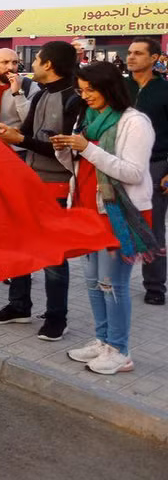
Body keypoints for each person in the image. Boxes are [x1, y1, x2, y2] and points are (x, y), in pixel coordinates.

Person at [55, 62, 157, 375]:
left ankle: (120, 350)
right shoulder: (91, 118)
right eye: (81, 90)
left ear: (109, 87)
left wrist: (86, 149)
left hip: (118, 214)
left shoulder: (134, 122)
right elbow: (80, 164)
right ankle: (103, 341)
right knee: (93, 282)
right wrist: (64, 149)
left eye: (91, 90)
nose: (85, 96)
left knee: (114, 285)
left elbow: (133, 172)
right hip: (88, 211)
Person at [0, 41, 85, 340]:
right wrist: (12, 137)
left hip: (55, 184)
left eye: (38, 58)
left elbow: (63, 147)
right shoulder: (42, 93)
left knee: (52, 252)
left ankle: (57, 317)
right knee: (19, 243)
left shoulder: (73, 99)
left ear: (50, 65)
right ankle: (19, 306)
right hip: (28, 179)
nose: (32, 63)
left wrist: (21, 139)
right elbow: (28, 134)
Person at [125, 37, 168, 305]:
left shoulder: (164, 91)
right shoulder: (120, 88)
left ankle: (155, 287)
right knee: (115, 224)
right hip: (119, 166)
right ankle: (111, 278)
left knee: (151, 229)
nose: (131, 57)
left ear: (154, 58)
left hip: (155, 166)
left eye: (138, 53)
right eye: (129, 53)